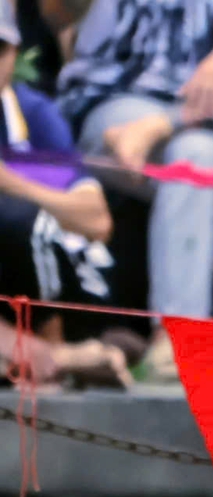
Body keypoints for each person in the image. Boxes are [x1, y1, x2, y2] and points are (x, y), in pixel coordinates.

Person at [51, 0, 213, 378]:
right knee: (200, 153)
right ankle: (181, 335)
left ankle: (175, 340)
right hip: (113, 112)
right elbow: (58, 14)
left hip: (195, 110)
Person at [0, 0, 127, 384]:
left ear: (14, 54)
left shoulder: (32, 113)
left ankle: (51, 346)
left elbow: (98, 221)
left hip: (63, 279)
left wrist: (11, 183)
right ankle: (56, 356)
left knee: (19, 216)